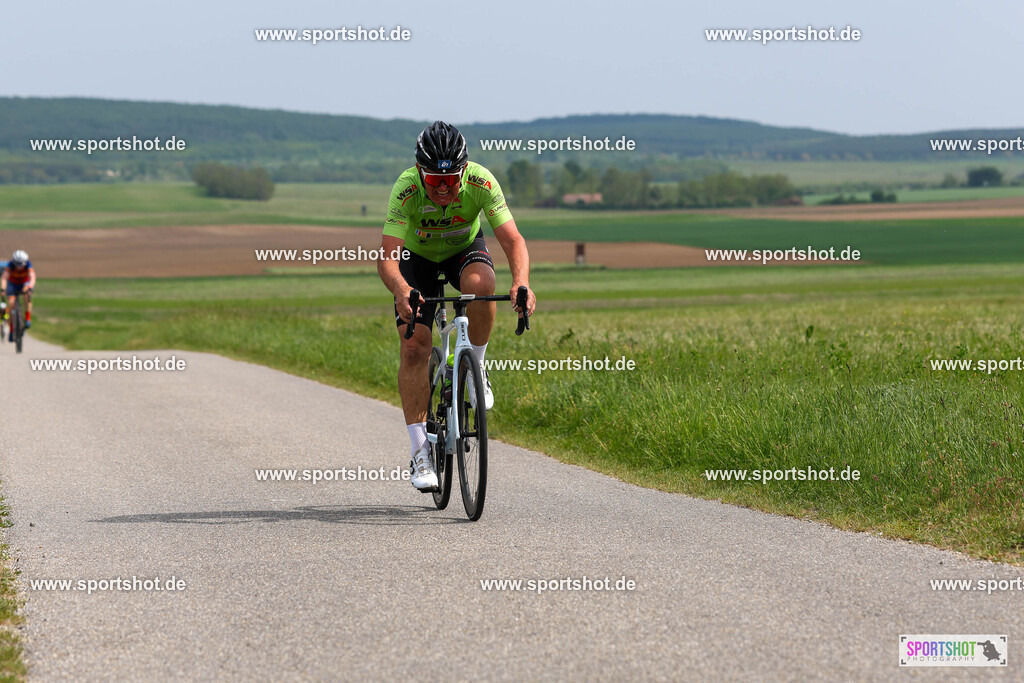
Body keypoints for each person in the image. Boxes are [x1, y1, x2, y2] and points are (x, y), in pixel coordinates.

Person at [377, 121, 536, 490]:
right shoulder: (406, 189)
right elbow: (387, 259)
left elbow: (512, 239)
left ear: (464, 170)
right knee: (415, 347)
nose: (445, 189)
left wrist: (522, 282)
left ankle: (475, 366)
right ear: (420, 174)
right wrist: (402, 290)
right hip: (415, 260)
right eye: (435, 182)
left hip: (462, 249)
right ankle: (420, 455)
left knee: (483, 285)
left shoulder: (481, 181)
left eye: (451, 181)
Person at [1, 250, 35, 342]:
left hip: (24, 282)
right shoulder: (10, 265)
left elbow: (32, 276)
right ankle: (12, 330)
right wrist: (3, 289)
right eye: (18, 264)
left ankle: (27, 318)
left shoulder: (28, 264)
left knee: (27, 294)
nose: (20, 266)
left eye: (21, 264)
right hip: (13, 284)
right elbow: (4, 278)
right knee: (11, 305)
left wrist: (30, 287)